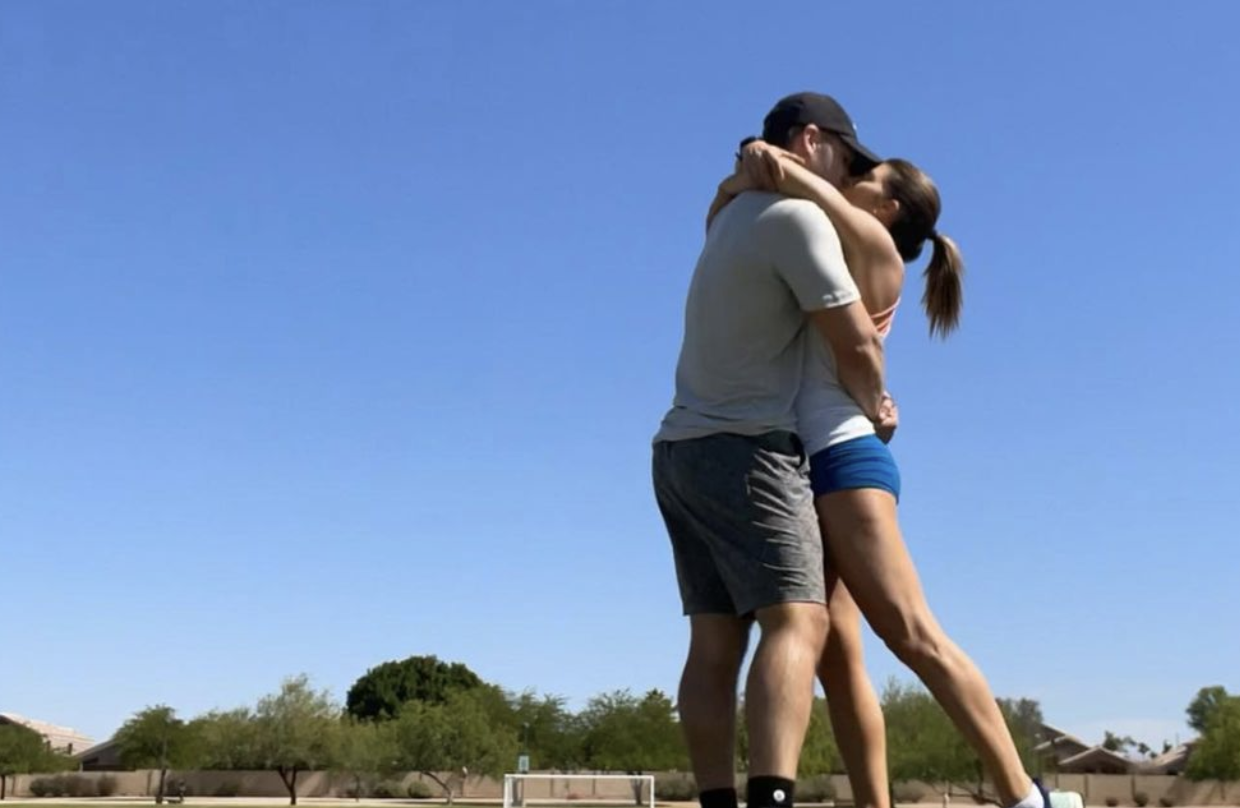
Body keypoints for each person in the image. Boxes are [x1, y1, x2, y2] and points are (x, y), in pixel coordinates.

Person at [707, 100, 1049, 808]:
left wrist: (773, 163)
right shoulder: (827, 234)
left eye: (870, 176)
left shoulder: (877, 249)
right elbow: (737, 215)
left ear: (889, 205)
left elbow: (824, 200)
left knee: (915, 636)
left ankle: (1025, 796)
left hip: (844, 457)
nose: (855, 176)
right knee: (839, 659)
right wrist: (746, 172)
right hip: (800, 465)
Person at [652, 91, 890, 808]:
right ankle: (773, 797)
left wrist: (736, 176)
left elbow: (724, 199)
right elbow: (855, 343)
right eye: (846, 161)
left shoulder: (727, 220)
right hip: (749, 447)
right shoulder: (798, 221)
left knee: (715, 642)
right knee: (800, 619)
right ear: (812, 140)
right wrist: (877, 404)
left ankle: (719, 799)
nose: (847, 179)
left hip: (678, 452)